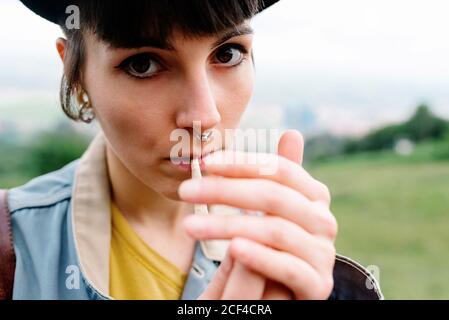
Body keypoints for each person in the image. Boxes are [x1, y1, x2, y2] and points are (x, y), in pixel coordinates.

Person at [1, 0, 382, 300]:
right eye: (144, 64)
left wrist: (334, 291)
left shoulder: (278, 238)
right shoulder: (13, 252)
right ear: (75, 73)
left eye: (228, 54)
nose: (204, 115)